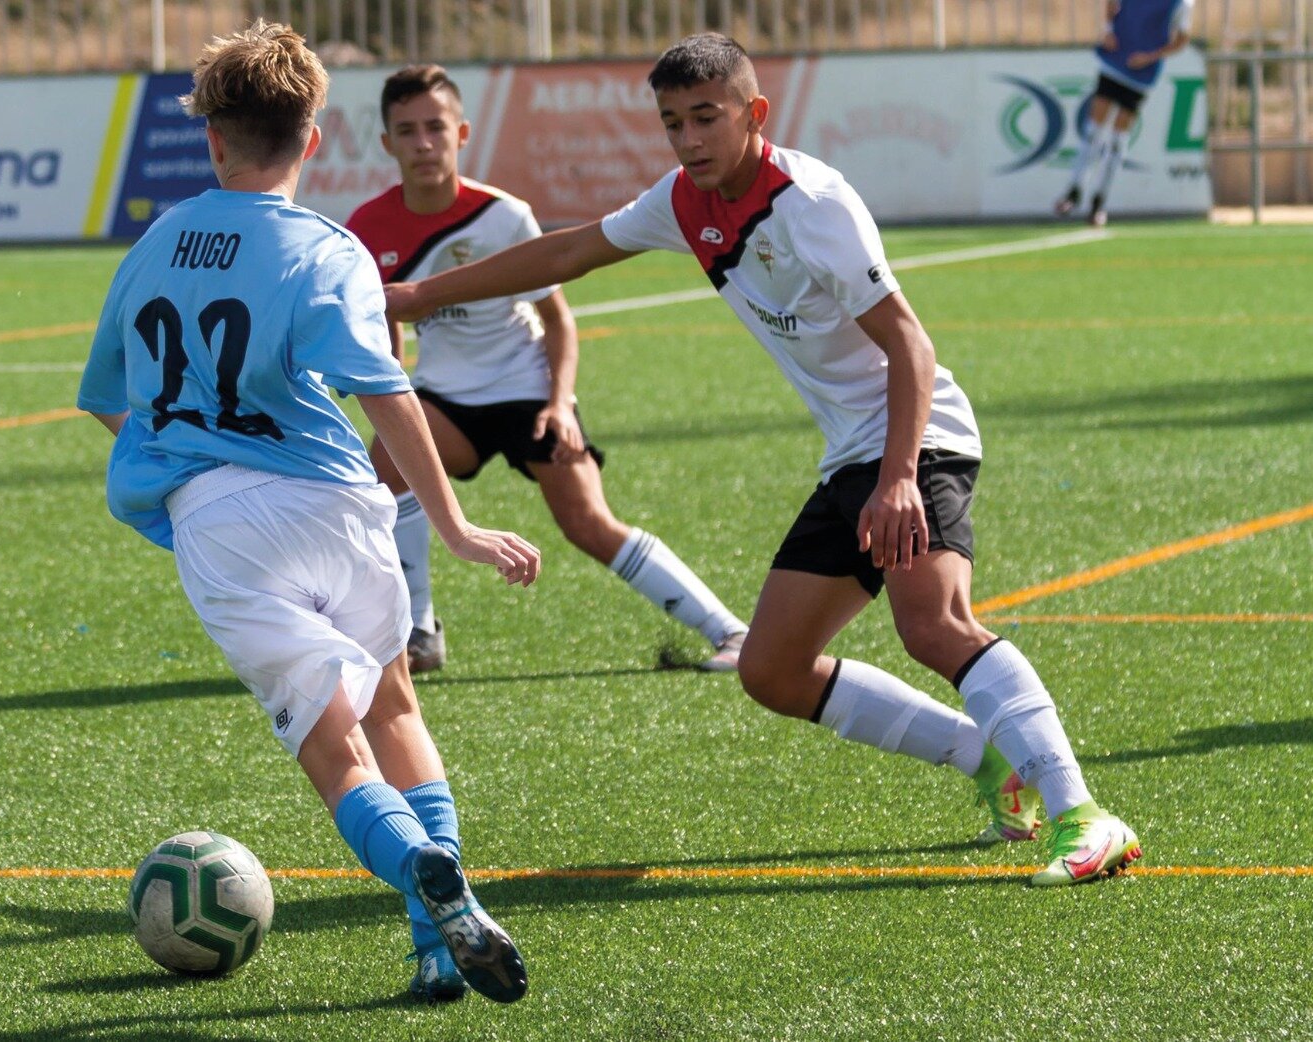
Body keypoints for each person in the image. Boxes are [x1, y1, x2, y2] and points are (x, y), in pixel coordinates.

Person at [386, 32, 1142, 887]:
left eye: (706, 118)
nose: (689, 140)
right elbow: (567, 252)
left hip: (918, 436)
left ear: (755, 114)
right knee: (772, 671)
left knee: (930, 623)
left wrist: (898, 479)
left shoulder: (813, 201)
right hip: (855, 456)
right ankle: (987, 762)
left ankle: (1084, 815)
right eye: (672, 123)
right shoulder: (682, 201)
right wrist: (417, 294)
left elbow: (912, 349)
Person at [76, 21, 532, 1002]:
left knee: (337, 752)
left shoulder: (154, 243)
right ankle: (434, 944)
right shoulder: (331, 250)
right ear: (312, 137)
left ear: (212, 138)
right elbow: (386, 391)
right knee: (397, 704)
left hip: (223, 524)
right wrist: (453, 527)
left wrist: (174, 449)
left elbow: (106, 392)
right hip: (337, 497)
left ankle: (418, 868)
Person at [345, 64, 749, 675]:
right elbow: (388, 336)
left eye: (436, 127)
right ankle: (420, 632)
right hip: (445, 398)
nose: (423, 143)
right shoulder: (367, 227)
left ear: (462, 133)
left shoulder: (505, 216)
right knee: (387, 467)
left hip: (529, 392)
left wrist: (560, 405)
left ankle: (732, 631)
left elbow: (557, 322)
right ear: (386, 144)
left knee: (588, 523)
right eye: (407, 131)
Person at [1055, 0, 1195, 226]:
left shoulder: (1183, 3)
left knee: (1118, 136)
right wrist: (1108, 30)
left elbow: (1182, 40)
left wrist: (1151, 57)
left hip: (1141, 72)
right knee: (1094, 129)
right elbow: (1111, 5)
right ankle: (1074, 190)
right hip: (1116, 58)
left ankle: (1099, 201)